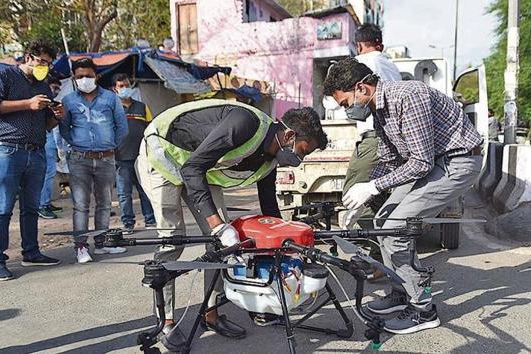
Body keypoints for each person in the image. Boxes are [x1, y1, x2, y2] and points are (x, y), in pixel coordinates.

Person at [135, 100, 327, 337]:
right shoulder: (244, 124)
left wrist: (285, 242)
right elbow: (191, 170)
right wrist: (217, 225)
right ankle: (165, 323)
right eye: (303, 151)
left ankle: (210, 314)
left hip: (198, 166)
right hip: (163, 155)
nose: (301, 159)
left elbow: (269, 207)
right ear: (289, 135)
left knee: (220, 245)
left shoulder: (270, 158)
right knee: (173, 240)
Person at [323, 58, 483, 334]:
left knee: (395, 230)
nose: (347, 110)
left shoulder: (409, 96)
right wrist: (365, 196)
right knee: (382, 220)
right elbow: (389, 161)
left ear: (361, 88)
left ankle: (423, 310)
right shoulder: (379, 110)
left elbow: (420, 163)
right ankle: (401, 291)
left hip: (456, 163)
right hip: (434, 163)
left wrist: (372, 187)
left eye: (346, 103)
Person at [0, 40, 62, 280]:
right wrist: (28, 103)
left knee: (31, 207)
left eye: (48, 63)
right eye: (41, 61)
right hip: (6, 151)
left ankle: (31, 252)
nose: (44, 66)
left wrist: (56, 117)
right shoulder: (3, 76)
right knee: (2, 207)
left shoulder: (44, 86)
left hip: (36, 152)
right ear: (28, 57)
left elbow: (46, 125)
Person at [60, 58, 128, 263]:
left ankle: (101, 244)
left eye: (88, 76)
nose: (84, 79)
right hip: (79, 159)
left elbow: (122, 127)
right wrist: (78, 145)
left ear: (96, 76)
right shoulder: (69, 101)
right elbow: (64, 128)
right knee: (80, 205)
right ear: (74, 78)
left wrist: (108, 146)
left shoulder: (111, 98)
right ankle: (81, 247)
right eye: (80, 76)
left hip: (106, 158)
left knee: (105, 203)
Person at [341, 23, 402, 230]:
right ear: (381, 45)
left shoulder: (359, 64)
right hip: (393, 137)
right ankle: (385, 240)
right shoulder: (392, 68)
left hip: (373, 137)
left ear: (359, 46)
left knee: (352, 194)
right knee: (377, 194)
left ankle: (380, 244)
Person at [111, 73, 156, 232]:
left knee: (145, 190)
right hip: (121, 158)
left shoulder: (142, 107)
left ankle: (150, 220)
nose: (125, 89)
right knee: (124, 194)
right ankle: (128, 223)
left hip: (141, 157)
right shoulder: (112, 109)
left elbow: (151, 129)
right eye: (121, 86)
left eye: (127, 85)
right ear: (114, 89)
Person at [38, 76, 65, 219]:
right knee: (46, 175)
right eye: (54, 88)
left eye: (57, 88)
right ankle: (42, 205)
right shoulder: (42, 103)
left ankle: (46, 202)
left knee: (50, 174)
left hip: (52, 143)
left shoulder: (53, 104)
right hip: (46, 141)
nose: (56, 91)